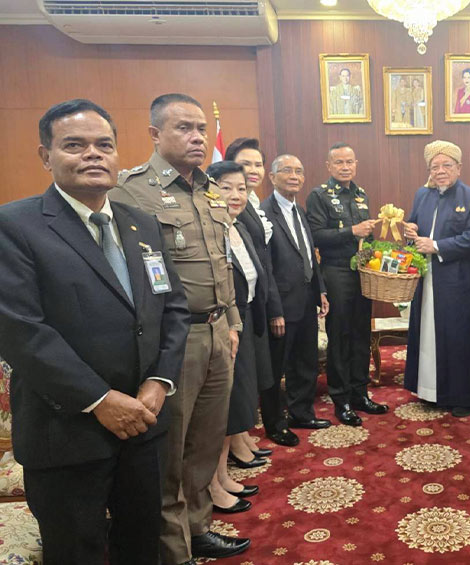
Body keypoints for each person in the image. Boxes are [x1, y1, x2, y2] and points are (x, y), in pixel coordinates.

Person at [0, 99, 190, 564]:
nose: (93, 154)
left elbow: (173, 308)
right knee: (75, 552)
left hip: (143, 425)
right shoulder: (15, 226)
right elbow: (21, 331)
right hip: (67, 433)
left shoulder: (140, 223)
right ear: (45, 156)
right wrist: (101, 400)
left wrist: (160, 381)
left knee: (140, 544)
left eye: (104, 145)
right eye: (74, 145)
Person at [109, 93, 249, 563]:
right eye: (184, 128)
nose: (197, 137)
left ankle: (198, 527)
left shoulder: (208, 189)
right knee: (170, 451)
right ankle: (174, 550)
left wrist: (232, 322)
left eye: (201, 129)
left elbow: (221, 263)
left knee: (206, 443)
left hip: (217, 332)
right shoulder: (130, 191)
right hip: (175, 339)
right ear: (155, 134)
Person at [403, 140, 470, 417]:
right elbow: (415, 226)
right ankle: (432, 392)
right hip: (428, 280)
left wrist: (437, 246)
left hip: (460, 284)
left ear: (458, 167)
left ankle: (466, 397)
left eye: (446, 165)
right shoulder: (422, 195)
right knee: (429, 334)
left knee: (459, 338)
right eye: (435, 166)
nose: (440, 171)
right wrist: (410, 231)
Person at [203, 161, 272, 515]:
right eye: (225, 187)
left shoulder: (237, 227)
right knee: (221, 409)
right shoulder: (209, 229)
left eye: (241, 188)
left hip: (242, 320)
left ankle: (222, 475)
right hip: (220, 326)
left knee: (234, 403)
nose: (235, 195)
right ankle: (212, 484)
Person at [305, 143, 387, 426]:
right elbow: (315, 235)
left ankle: (360, 393)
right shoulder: (319, 195)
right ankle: (341, 400)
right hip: (336, 271)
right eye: (339, 162)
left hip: (361, 272)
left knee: (361, 334)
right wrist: (352, 231)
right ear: (329, 166)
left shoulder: (361, 194)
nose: (345, 167)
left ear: (356, 164)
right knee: (340, 336)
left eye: (349, 162)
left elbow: (366, 238)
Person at [225, 137, 298, 449]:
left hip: (260, 298)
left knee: (255, 372)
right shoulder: (233, 205)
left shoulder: (252, 202)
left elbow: (263, 262)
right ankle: (243, 438)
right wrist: (274, 307)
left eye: (257, 164)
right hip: (239, 303)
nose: (252, 170)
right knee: (242, 376)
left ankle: (243, 437)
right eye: (245, 164)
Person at [261, 154, 331, 433]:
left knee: (305, 363)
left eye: (299, 171)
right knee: (276, 367)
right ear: (272, 177)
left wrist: (320, 290)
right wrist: (274, 310)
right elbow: (265, 268)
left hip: (306, 302)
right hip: (281, 305)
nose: (294, 176)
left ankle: (302, 414)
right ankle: (276, 424)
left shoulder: (299, 211)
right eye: (287, 170)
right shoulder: (264, 213)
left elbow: (309, 256)